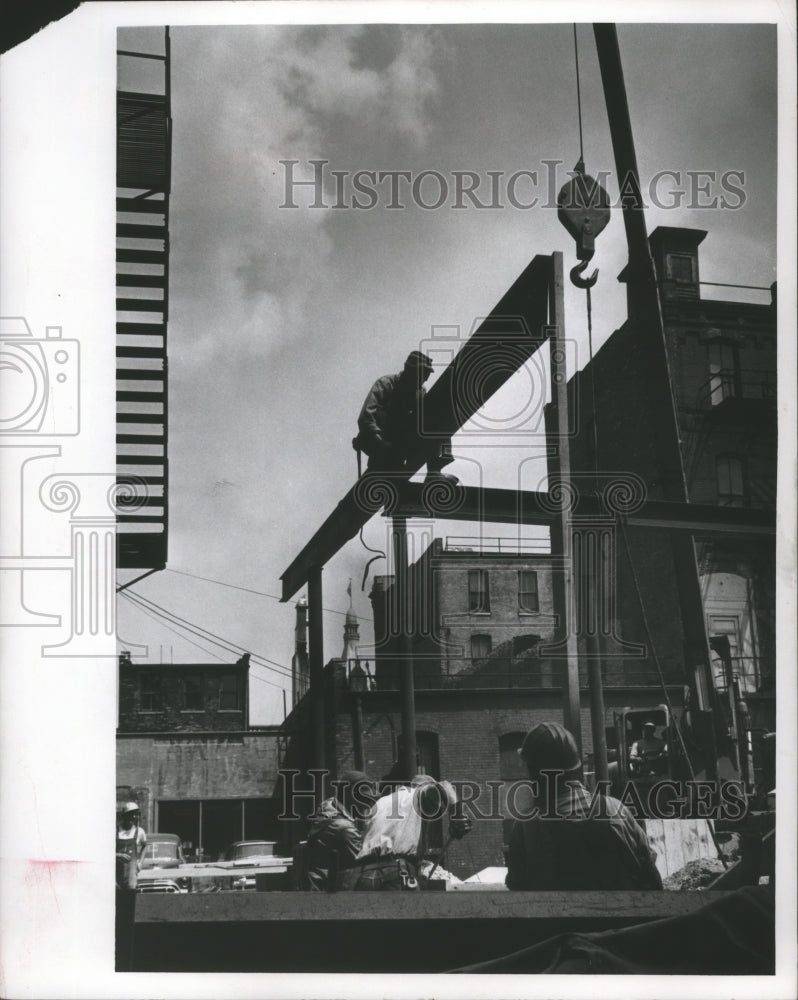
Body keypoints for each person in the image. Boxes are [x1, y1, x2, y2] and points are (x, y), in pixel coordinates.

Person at [505, 721, 663, 891]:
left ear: (534, 773)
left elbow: (517, 886)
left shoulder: (526, 826)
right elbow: (651, 876)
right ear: (574, 767)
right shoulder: (616, 810)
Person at [346, 772, 471, 890]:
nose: (436, 807)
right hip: (396, 873)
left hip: (365, 875)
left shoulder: (381, 802)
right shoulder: (419, 793)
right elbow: (445, 786)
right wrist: (458, 817)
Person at [354, 350, 458, 484]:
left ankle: (434, 471)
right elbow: (366, 418)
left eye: (427, 375)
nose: (426, 379)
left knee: (435, 412)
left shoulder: (420, 392)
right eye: (423, 374)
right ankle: (388, 467)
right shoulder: (386, 384)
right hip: (379, 441)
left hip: (400, 441)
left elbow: (427, 421)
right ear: (410, 371)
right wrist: (380, 443)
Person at [305, 770, 377, 890]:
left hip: (314, 880)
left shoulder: (328, 805)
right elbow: (363, 861)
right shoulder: (345, 827)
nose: (367, 805)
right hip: (327, 887)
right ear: (350, 797)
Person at [116, 801, 147, 891]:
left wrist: (140, 862)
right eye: (130, 814)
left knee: (130, 896)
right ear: (124, 816)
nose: (133, 817)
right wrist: (117, 855)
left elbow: (145, 846)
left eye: (135, 814)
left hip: (131, 874)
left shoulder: (140, 831)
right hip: (116, 873)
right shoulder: (115, 831)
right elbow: (105, 851)